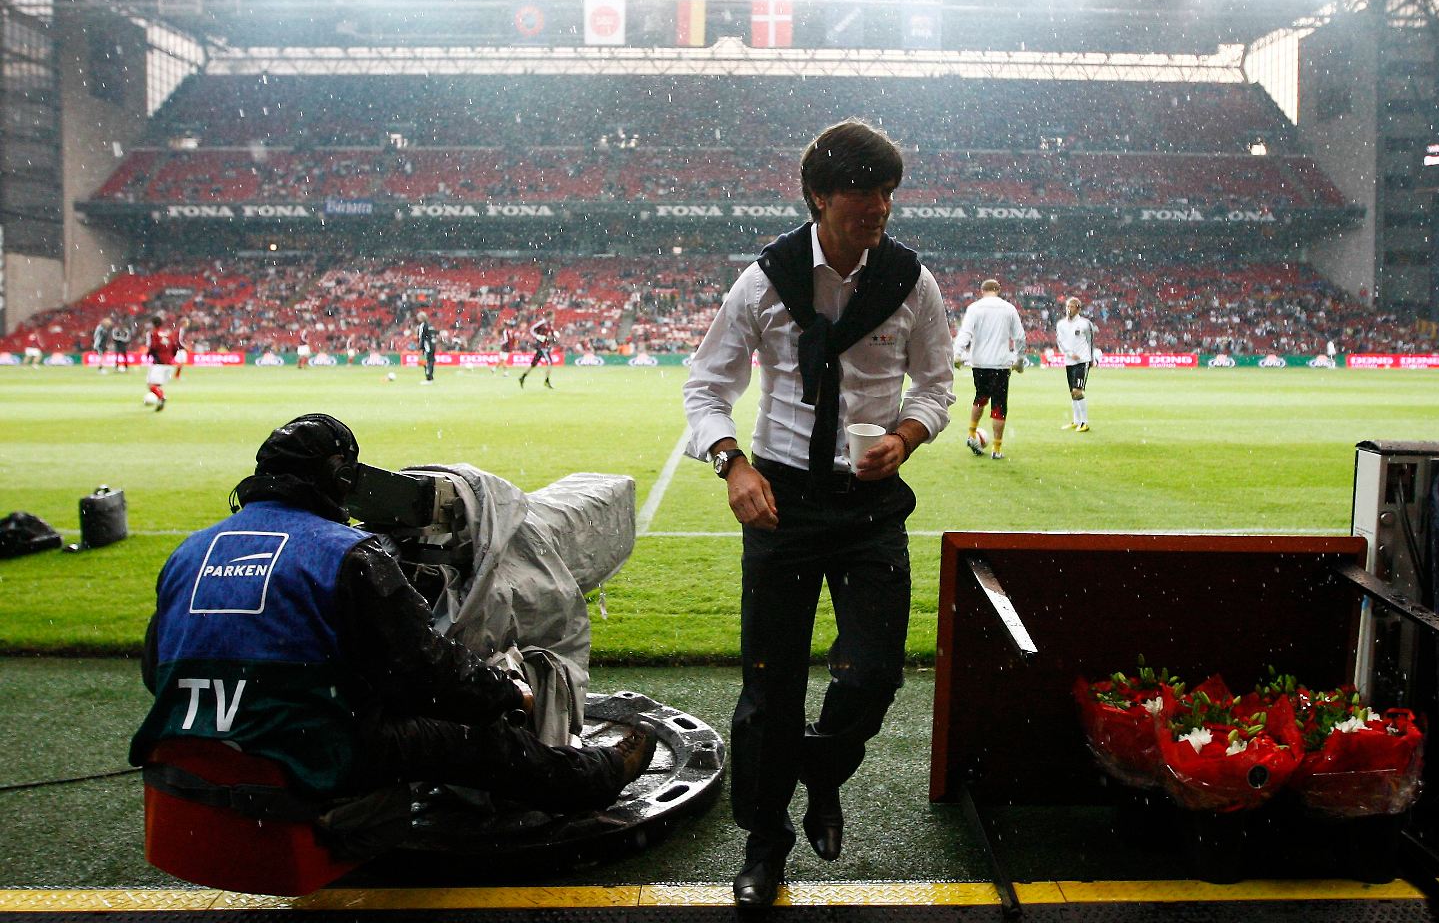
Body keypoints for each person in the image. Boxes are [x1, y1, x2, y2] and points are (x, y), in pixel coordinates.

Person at [129, 414, 656, 828]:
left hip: (188, 751)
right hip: (306, 753)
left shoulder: (188, 551)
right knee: (479, 744)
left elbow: (157, 671)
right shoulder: (349, 555)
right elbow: (429, 675)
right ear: (340, 479)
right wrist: (508, 694)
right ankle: (598, 777)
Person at [682, 119, 954, 909]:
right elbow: (706, 386)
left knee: (870, 675)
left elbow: (937, 387)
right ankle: (767, 841)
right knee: (770, 687)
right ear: (819, 197)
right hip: (780, 506)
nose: (880, 207)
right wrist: (731, 463)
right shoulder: (764, 280)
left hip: (870, 508)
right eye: (863, 191)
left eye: (887, 191)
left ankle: (822, 769)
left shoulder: (911, 281)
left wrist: (905, 435)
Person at [952, 279, 1026, 460]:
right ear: (998, 290)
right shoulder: (1008, 309)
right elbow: (1020, 337)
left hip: (979, 362)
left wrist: (957, 354)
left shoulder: (975, 308)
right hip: (1000, 363)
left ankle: (971, 433)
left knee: (980, 397)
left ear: (982, 290)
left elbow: (965, 333)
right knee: (999, 406)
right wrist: (1019, 360)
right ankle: (997, 449)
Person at [1055, 296, 1096, 432]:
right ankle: (1076, 421)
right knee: (1072, 393)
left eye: (1072, 307)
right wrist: (1068, 353)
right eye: (1067, 306)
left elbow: (1090, 342)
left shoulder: (1085, 323)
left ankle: (1085, 422)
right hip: (1069, 361)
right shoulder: (1061, 324)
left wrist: (1091, 358)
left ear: (1078, 308)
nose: (1069, 309)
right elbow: (1059, 341)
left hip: (1082, 361)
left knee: (1077, 391)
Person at [144, 316, 177, 412]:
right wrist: (170, 358)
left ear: (152, 324)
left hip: (159, 363)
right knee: (157, 385)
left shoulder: (153, 334)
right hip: (169, 364)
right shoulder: (169, 334)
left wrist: (149, 355)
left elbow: (152, 347)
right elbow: (175, 348)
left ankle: (161, 397)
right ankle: (158, 400)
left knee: (151, 385)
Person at [520, 312, 557, 389]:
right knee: (549, 362)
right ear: (549, 316)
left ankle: (523, 377)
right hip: (542, 347)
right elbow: (531, 330)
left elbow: (550, 334)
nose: (553, 318)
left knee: (534, 364)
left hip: (545, 346)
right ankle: (546, 381)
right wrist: (537, 336)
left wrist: (554, 335)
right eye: (552, 316)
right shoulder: (542, 323)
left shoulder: (549, 324)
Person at [415, 311, 435, 384]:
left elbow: (421, 337)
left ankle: (428, 378)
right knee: (431, 361)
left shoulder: (423, 325)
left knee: (426, 362)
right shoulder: (430, 325)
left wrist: (420, 347)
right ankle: (430, 377)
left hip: (426, 346)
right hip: (432, 346)